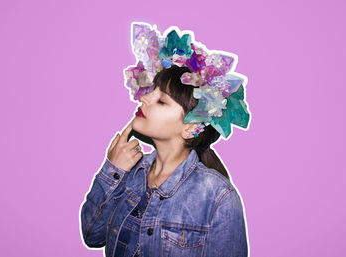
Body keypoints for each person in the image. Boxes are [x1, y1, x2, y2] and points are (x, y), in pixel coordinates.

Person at [80, 22, 251, 257]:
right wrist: (113, 170)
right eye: (152, 91)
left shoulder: (218, 197)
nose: (146, 98)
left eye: (162, 100)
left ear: (190, 126)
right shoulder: (128, 174)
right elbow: (92, 235)